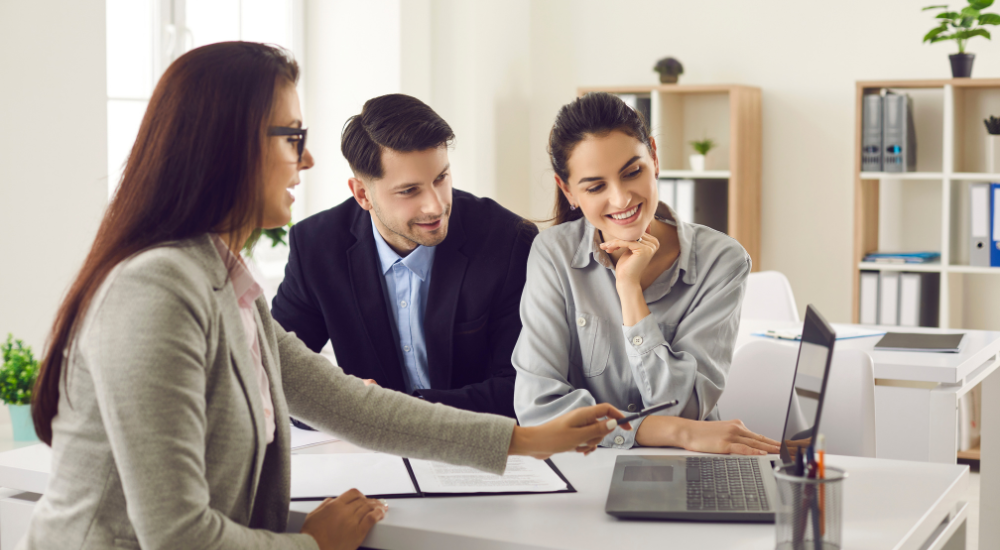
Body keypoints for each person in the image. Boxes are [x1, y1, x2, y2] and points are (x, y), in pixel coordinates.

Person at [21, 43, 628, 550]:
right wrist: (312, 544)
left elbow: (348, 404)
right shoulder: (155, 289)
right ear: (226, 147)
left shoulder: (220, 279)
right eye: (292, 137)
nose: (307, 159)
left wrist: (528, 439)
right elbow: (178, 537)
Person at [513, 92, 780, 455]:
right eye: (596, 186)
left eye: (632, 172)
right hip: (585, 466)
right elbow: (538, 409)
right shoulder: (552, 254)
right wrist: (669, 431)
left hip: (687, 464)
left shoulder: (721, 260)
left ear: (653, 157)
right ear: (568, 190)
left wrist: (629, 291)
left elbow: (685, 409)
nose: (622, 199)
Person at [271, 94, 535, 417]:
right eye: (409, 191)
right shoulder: (316, 247)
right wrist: (343, 402)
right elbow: (274, 374)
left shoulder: (507, 240)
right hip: (365, 446)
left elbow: (522, 388)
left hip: (480, 442)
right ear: (362, 194)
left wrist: (394, 413)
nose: (436, 206)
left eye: (441, 178)